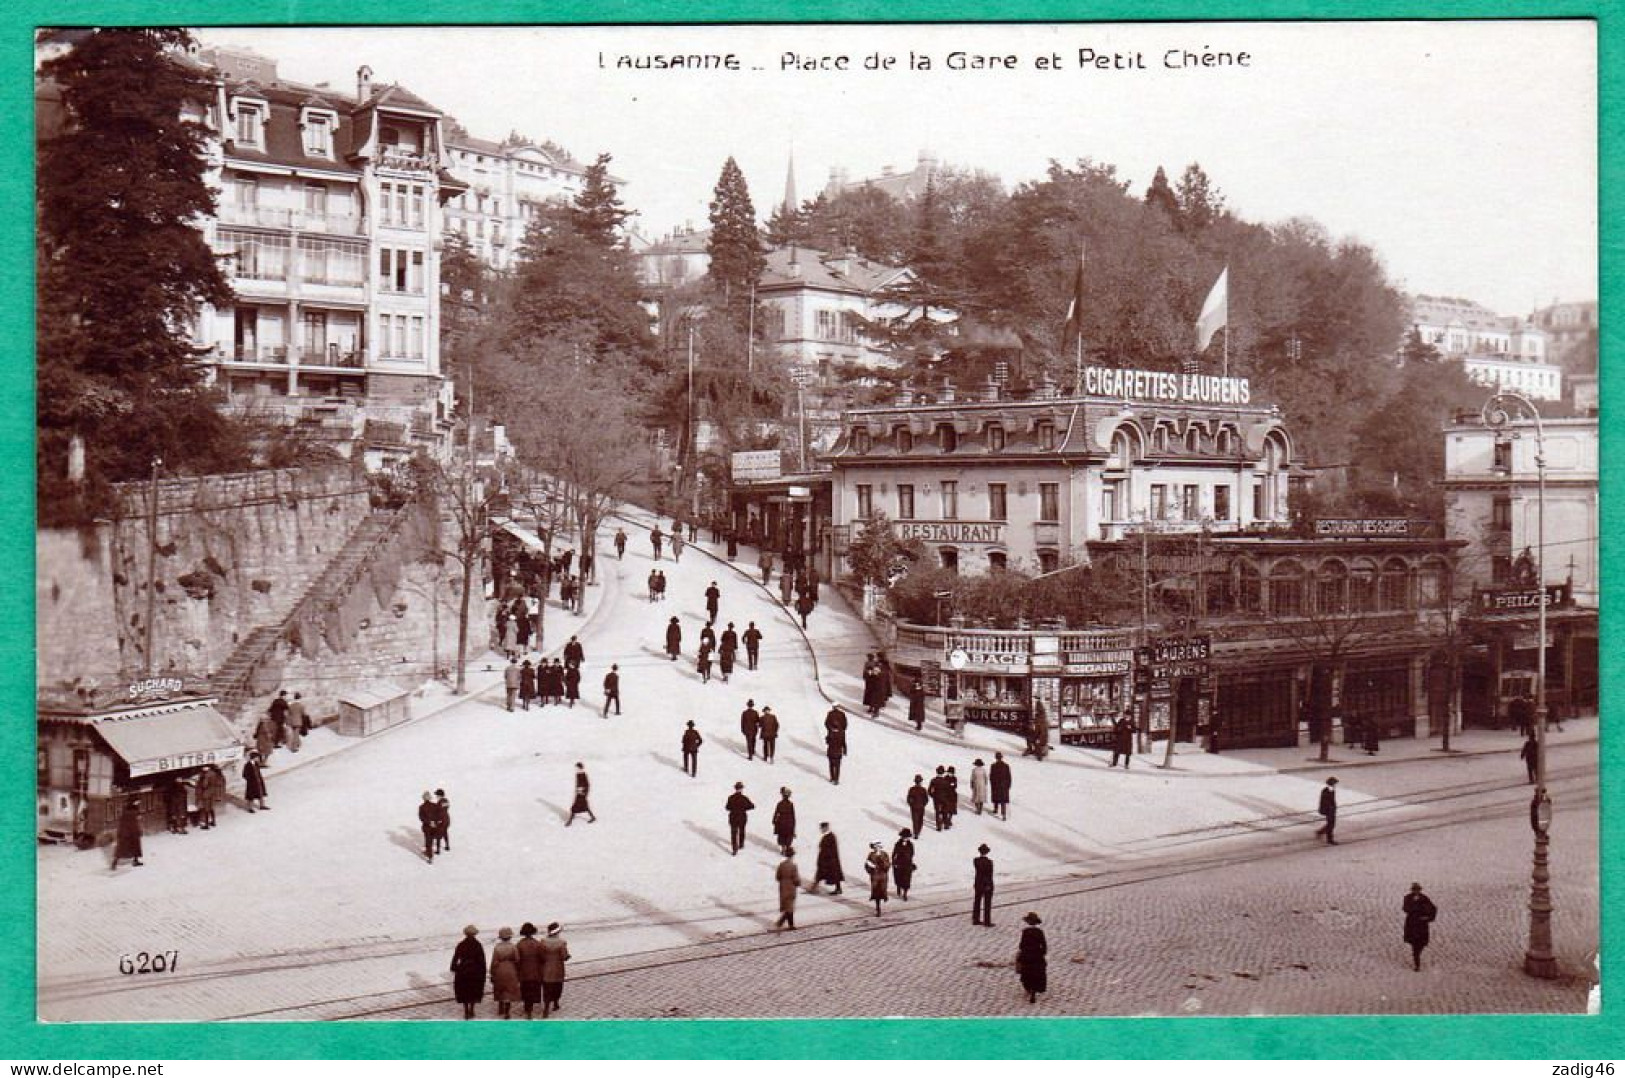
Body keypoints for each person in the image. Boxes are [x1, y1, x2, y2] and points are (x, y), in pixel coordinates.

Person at [450, 926, 486, 1019]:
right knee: (474, 991)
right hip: (475, 971)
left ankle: (466, 1010)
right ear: (475, 934)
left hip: (463, 971)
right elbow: (482, 960)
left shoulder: (461, 944)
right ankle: (472, 1009)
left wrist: (455, 968)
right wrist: (483, 972)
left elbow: (455, 958)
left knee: (464, 991)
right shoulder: (478, 945)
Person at [1402, 882, 1438, 971]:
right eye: (1414, 890)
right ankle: (1417, 962)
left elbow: (1433, 908)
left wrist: (1428, 918)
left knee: (1421, 943)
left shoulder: (1424, 898)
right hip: (1412, 924)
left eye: (1417, 890)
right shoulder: (1408, 898)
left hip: (1422, 924)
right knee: (1414, 943)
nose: (1416, 891)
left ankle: (1417, 954)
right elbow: (1405, 908)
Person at [539, 922, 571, 1017]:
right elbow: (564, 956)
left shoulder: (543, 941)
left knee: (547, 988)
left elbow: (541, 956)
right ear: (557, 932)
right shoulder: (562, 942)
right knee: (557, 986)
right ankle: (556, 1003)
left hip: (546, 968)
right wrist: (568, 956)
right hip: (558, 968)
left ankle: (546, 1008)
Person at [489, 927, 521, 1019]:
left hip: (499, 969)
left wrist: (492, 973)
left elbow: (494, 962)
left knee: (500, 988)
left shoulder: (497, 947)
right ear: (510, 937)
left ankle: (500, 1007)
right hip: (510, 969)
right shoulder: (513, 947)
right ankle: (507, 1012)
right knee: (509, 990)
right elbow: (517, 959)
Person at [1017, 912, 1048, 1003]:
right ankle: (1034, 991)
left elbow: (1021, 945)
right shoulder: (1040, 932)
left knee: (1026, 973)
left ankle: (1029, 988)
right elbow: (1044, 945)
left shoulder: (1025, 932)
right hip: (1037, 956)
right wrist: (1041, 953)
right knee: (1037, 973)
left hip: (1027, 956)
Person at [516, 922, 545, 1019]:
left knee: (525, 990)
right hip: (536, 972)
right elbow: (542, 958)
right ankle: (530, 1009)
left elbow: (517, 960)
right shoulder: (537, 944)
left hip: (524, 973)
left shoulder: (519, 944)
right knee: (533, 990)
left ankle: (527, 1008)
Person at [111, 798, 143, 868]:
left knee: (121, 848)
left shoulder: (124, 811)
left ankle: (114, 862)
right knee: (135, 846)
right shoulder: (134, 811)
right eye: (137, 803)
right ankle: (135, 861)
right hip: (132, 832)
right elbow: (136, 820)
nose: (138, 804)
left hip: (124, 832)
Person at [725, 782, 755, 855]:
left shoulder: (731, 797)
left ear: (735, 788)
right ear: (741, 789)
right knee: (742, 830)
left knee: (734, 833)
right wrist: (744, 808)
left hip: (733, 817)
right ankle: (741, 844)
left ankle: (734, 848)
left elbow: (727, 807)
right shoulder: (744, 798)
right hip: (742, 817)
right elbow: (752, 806)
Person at [775, 848, 802, 931]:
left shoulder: (781, 865)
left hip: (783, 887)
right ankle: (789, 925)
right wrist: (798, 883)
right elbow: (796, 879)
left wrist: (783, 881)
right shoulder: (793, 866)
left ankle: (782, 922)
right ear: (792, 856)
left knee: (787, 906)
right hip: (791, 888)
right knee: (790, 907)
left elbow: (777, 877)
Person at [815, 822, 844, 895]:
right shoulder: (828, 836)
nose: (821, 830)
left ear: (825, 828)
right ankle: (838, 889)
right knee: (823, 874)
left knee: (832, 874)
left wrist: (825, 858)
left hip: (830, 860)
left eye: (822, 828)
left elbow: (828, 849)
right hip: (828, 859)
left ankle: (838, 889)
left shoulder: (830, 836)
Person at [865, 842, 892, 917]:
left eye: (878, 847)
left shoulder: (884, 854)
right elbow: (866, 865)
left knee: (882, 890)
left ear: (880, 847)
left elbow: (888, 864)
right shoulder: (871, 855)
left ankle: (881, 903)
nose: (876, 848)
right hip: (875, 876)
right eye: (875, 847)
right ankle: (878, 908)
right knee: (876, 892)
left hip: (883, 876)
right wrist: (870, 869)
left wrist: (883, 864)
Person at [972, 844, 996, 926]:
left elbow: (979, 872)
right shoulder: (989, 862)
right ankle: (987, 921)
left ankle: (975, 919)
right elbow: (989, 875)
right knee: (987, 903)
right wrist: (989, 885)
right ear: (987, 852)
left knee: (977, 902)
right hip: (986, 884)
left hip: (978, 883)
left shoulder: (976, 860)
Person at [892, 829, 917, 900]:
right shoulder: (897, 844)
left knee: (907, 879)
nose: (905, 838)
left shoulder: (910, 845)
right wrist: (894, 863)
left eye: (907, 837)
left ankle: (905, 893)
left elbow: (912, 853)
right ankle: (899, 887)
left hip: (907, 864)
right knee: (899, 878)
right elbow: (894, 854)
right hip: (899, 863)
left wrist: (909, 860)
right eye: (904, 837)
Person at [772, 787, 796, 855]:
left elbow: (776, 813)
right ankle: (787, 848)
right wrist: (793, 824)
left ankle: (783, 849)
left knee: (782, 836)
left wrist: (774, 821)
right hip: (789, 822)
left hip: (781, 822)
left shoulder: (780, 804)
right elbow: (793, 815)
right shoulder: (790, 804)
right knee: (788, 836)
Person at [1315, 776, 1339, 844]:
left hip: (1331, 810)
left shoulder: (1332, 790)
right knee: (1331, 824)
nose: (1335, 785)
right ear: (1332, 784)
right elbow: (1325, 802)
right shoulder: (1325, 791)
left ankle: (1320, 832)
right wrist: (1331, 808)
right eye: (1334, 783)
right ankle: (1329, 839)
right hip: (1328, 810)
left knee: (1331, 824)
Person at [418, 791, 441, 862]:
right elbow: (439, 815)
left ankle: (430, 857)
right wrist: (435, 822)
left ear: (423, 799)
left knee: (428, 841)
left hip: (427, 826)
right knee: (431, 840)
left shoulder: (421, 807)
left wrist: (429, 822)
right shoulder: (435, 805)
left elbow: (421, 818)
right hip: (435, 826)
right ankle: (430, 851)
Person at [196, 766, 221, 830]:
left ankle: (206, 825)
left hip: (206, 794)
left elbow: (204, 785)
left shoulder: (206, 775)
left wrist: (200, 781)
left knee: (206, 809)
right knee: (211, 808)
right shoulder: (213, 773)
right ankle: (213, 821)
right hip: (212, 793)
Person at [906, 775, 930, 840]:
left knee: (915, 820)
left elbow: (908, 799)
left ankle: (916, 832)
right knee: (920, 820)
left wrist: (911, 805)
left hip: (914, 807)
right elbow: (926, 799)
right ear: (921, 782)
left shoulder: (911, 789)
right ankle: (918, 831)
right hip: (921, 807)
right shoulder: (923, 789)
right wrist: (923, 804)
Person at [928, 766, 949, 831]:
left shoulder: (933, 780)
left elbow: (929, 790)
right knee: (945, 811)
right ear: (943, 773)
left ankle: (938, 826)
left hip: (936, 798)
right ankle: (946, 824)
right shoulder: (945, 781)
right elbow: (948, 791)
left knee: (937, 812)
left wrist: (933, 796)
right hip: (944, 798)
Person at [435, 788, 452, 854]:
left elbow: (439, 812)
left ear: (439, 795)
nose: (436, 796)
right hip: (447, 818)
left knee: (438, 834)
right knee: (445, 832)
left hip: (441, 820)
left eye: (437, 795)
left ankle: (438, 850)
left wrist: (437, 820)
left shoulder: (439, 802)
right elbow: (446, 808)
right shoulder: (446, 800)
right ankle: (447, 846)